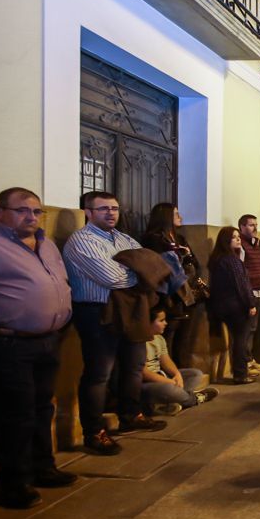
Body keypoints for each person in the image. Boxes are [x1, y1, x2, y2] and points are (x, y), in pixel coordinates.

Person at [0, 187, 76, 508]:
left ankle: (43, 468)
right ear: (0, 212)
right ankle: (14, 482)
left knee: (42, 408)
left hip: (49, 341)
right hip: (10, 343)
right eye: (23, 210)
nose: (32, 217)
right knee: (16, 414)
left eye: (37, 211)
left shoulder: (46, 243)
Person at [64, 191, 167, 456]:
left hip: (131, 310)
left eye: (114, 208)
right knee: (100, 373)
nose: (111, 213)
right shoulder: (81, 241)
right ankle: (94, 431)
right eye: (103, 209)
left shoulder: (124, 238)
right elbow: (111, 277)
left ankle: (130, 414)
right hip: (97, 312)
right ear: (88, 212)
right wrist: (141, 272)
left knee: (134, 366)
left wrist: (143, 270)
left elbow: (153, 265)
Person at [140, 203, 202, 365]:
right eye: (175, 214)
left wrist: (187, 257)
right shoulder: (153, 239)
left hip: (186, 296)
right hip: (168, 297)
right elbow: (164, 268)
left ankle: (182, 376)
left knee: (183, 340)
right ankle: (167, 380)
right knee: (166, 339)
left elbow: (194, 262)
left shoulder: (179, 238)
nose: (180, 217)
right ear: (165, 217)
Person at [206, 226, 258, 384]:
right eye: (234, 237)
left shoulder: (217, 259)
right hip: (236, 306)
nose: (238, 239)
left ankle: (240, 371)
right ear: (225, 240)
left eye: (238, 236)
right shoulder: (231, 260)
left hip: (221, 306)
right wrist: (250, 304)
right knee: (240, 341)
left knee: (236, 340)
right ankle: (241, 374)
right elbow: (241, 285)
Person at [141, 308, 217, 415]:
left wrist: (177, 374)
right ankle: (194, 399)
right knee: (169, 389)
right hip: (147, 383)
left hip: (161, 376)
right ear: (149, 323)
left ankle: (172, 403)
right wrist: (169, 381)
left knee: (195, 374)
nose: (165, 323)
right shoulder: (139, 343)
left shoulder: (159, 338)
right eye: (161, 320)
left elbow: (165, 360)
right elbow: (144, 373)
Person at [237, 214, 260, 373]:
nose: (255, 228)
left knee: (253, 328)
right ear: (242, 227)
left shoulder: (255, 243)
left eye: (255, 224)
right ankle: (245, 361)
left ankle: (250, 358)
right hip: (249, 291)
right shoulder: (240, 244)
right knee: (246, 329)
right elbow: (240, 271)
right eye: (250, 225)